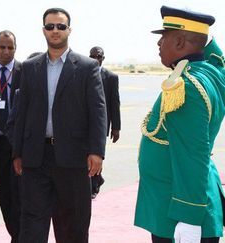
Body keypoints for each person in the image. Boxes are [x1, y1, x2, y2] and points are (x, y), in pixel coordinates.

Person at [13, 7, 107, 243]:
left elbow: (98, 111)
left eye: (60, 26)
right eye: (50, 26)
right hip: (36, 158)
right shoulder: (30, 67)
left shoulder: (87, 67)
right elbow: (21, 112)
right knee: (32, 226)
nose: (55, 31)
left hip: (73, 160)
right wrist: (17, 152)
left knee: (72, 226)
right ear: (43, 30)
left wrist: (97, 151)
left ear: (69, 30)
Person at [135, 6, 225, 243]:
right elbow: (217, 59)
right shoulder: (209, 72)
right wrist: (204, 37)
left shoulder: (186, 87)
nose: (159, 44)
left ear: (179, 42)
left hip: (178, 213)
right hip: (180, 202)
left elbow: (192, 154)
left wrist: (190, 218)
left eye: (163, 37)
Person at [0, 30, 22, 242]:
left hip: (16, 144)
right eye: (2, 47)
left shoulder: (24, 71)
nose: (6, 51)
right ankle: (15, 234)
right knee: (4, 196)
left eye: (10, 48)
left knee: (18, 195)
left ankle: (18, 237)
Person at [89, 46, 121, 199]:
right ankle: (91, 182)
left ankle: (95, 184)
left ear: (103, 58)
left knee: (98, 154)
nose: (96, 59)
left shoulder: (111, 77)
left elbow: (115, 103)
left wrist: (116, 127)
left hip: (102, 124)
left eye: (98, 56)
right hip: (85, 123)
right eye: (93, 56)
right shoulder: (83, 73)